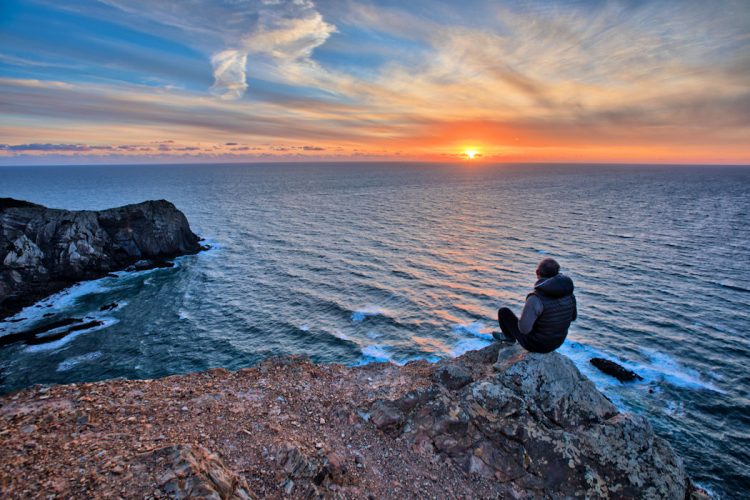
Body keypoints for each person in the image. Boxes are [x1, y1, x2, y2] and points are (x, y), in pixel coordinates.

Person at [494, 258, 577, 353]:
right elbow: (573, 317)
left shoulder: (535, 298)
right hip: (558, 342)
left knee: (504, 312)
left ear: (537, 272)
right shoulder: (568, 293)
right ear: (557, 273)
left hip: (537, 345)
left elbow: (524, 329)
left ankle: (509, 338)